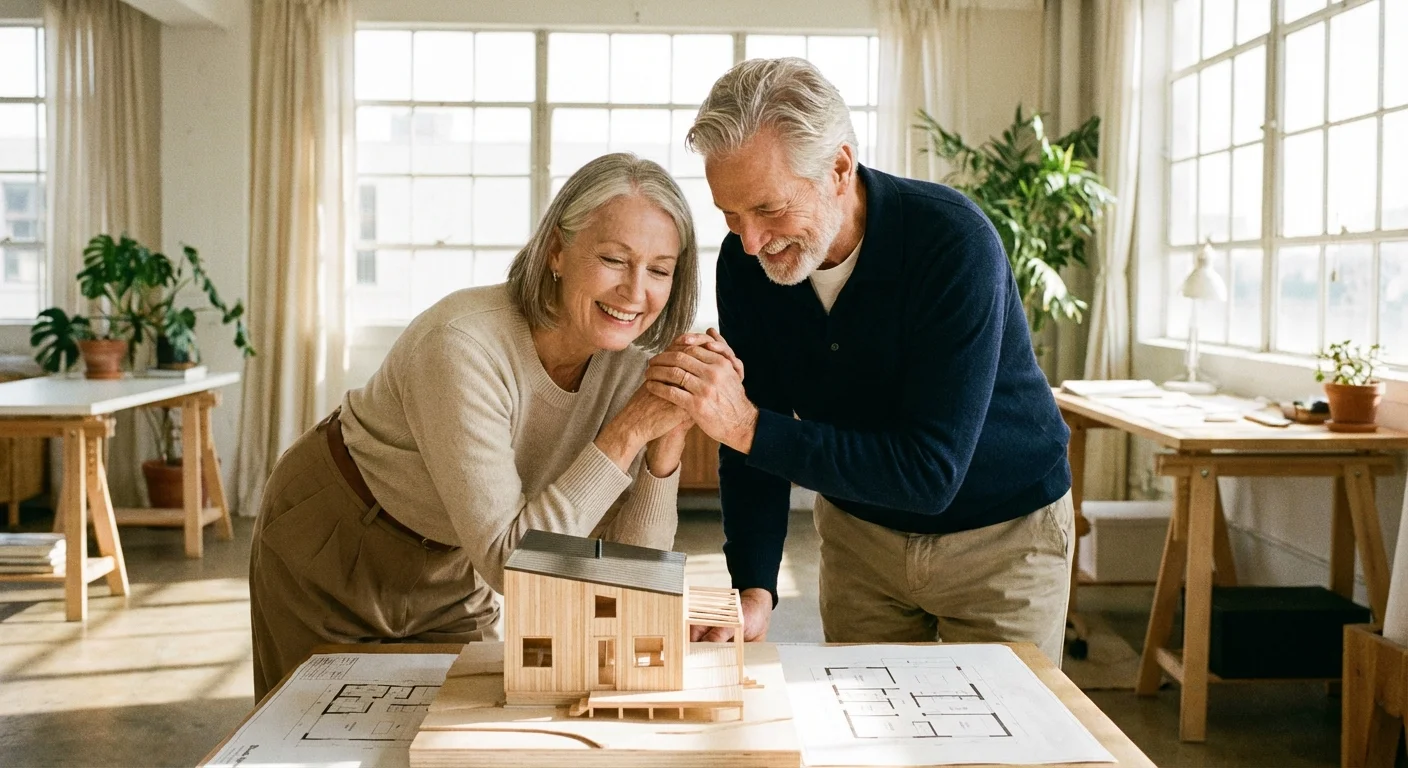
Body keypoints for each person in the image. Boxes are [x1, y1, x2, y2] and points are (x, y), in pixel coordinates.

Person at [645, 58, 1075, 662]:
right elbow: (750, 434)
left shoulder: (953, 243)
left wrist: (743, 424)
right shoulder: (747, 265)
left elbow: (928, 474)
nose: (749, 242)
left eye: (768, 209)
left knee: (1001, 748)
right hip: (859, 541)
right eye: (729, 215)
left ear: (839, 168)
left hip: (1002, 537)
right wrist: (756, 585)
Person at [249, 153, 702, 699]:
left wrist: (665, 447)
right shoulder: (463, 344)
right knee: (311, 739)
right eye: (613, 259)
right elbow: (516, 567)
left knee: (457, 738)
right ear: (557, 251)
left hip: (456, 558)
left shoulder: (631, 361)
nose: (635, 292)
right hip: (335, 534)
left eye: (659, 269)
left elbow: (625, 576)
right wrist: (628, 433)